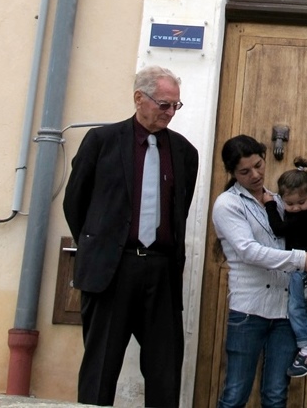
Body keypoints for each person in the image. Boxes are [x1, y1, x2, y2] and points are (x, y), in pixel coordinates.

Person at [63, 65, 199, 407]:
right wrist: (101, 245)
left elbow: (178, 211)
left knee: (165, 368)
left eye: (175, 106)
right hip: (112, 270)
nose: (170, 113)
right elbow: (74, 203)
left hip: (162, 271)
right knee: (101, 368)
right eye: (164, 104)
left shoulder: (185, 152)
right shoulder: (102, 141)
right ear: (140, 98)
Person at [212, 135, 307, 407]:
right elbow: (249, 251)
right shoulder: (228, 204)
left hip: (285, 310)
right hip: (249, 310)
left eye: (259, 165)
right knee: (235, 394)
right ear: (231, 173)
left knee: (276, 395)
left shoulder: (280, 200)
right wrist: (301, 259)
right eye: (244, 171)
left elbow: (301, 235)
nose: (255, 174)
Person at [262, 157, 307, 378]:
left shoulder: (304, 216)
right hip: (300, 267)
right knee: (301, 305)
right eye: (289, 204)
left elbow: (278, 229)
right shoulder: (303, 212)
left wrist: (270, 205)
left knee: (295, 308)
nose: (295, 208)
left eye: (300, 202)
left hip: (301, 268)